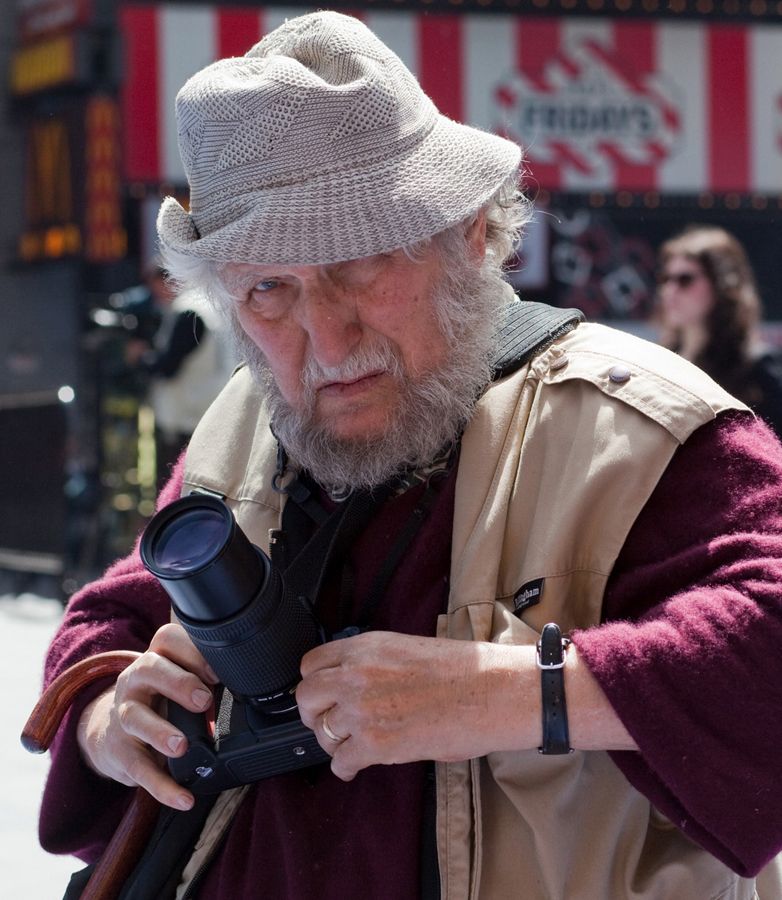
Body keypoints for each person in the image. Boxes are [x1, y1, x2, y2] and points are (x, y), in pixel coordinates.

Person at [37, 12, 782, 899]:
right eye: (270, 289)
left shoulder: (638, 427)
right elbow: (110, 619)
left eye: (358, 264)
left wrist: (509, 695)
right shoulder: (247, 419)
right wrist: (108, 719)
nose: (326, 336)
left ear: (468, 234)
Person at [656, 225, 782, 436]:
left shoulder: (757, 368)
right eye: (665, 279)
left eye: (685, 279)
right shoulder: (659, 360)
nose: (670, 291)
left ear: (722, 284)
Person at [125, 261, 235, 487]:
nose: (154, 294)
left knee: (182, 492)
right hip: (209, 411)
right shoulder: (211, 305)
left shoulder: (189, 313)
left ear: (169, 280)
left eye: (155, 286)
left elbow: (168, 368)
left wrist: (140, 357)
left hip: (188, 420)